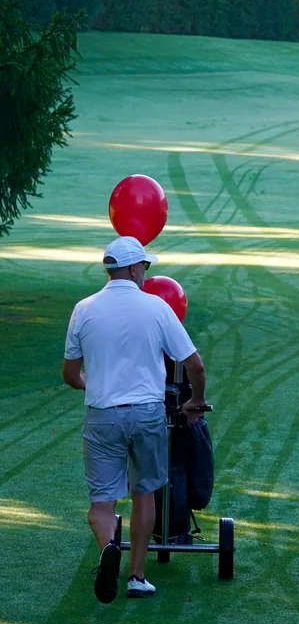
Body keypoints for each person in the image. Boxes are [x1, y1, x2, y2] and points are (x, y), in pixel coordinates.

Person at [62, 236, 209, 603]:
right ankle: (137, 576)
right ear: (131, 268)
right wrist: (196, 400)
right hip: (146, 413)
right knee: (145, 494)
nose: (146, 272)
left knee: (101, 505)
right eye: (144, 266)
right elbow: (195, 365)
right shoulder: (156, 308)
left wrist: (92, 385)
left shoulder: (84, 309)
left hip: (103, 414)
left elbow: (69, 373)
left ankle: (109, 546)